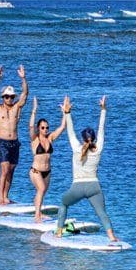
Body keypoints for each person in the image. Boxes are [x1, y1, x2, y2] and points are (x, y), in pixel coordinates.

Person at [54, 96, 118, 242]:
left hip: (78, 187)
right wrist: (103, 109)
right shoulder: (98, 149)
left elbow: (70, 131)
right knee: (102, 213)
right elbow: (101, 129)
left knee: (64, 203)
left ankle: (58, 233)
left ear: (83, 139)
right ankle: (112, 237)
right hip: (94, 186)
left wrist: (67, 113)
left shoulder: (77, 148)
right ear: (93, 139)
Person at [0, 65, 28, 204]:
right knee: (4, 169)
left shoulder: (16, 108)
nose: (9, 99)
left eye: (11, 97)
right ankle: (0, 198)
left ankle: (6, 196)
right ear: (3, 97)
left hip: (15, 143)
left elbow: (25, 94)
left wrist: (23, 79)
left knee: (11, 171)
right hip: (2, 142)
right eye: (6, 97)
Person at [28, 96, 68, 221]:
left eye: (47, 128)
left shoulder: (50, 138)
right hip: (36, 171)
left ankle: (38, 212)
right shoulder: (35, 139)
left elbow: (62, 127)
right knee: (41, 189)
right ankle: (37, 216)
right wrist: (34, 110)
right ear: (38, 128)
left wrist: (65, 112)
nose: (45, 130)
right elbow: (30, 126)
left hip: (47, 172)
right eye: (43, 128)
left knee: (42, 192)